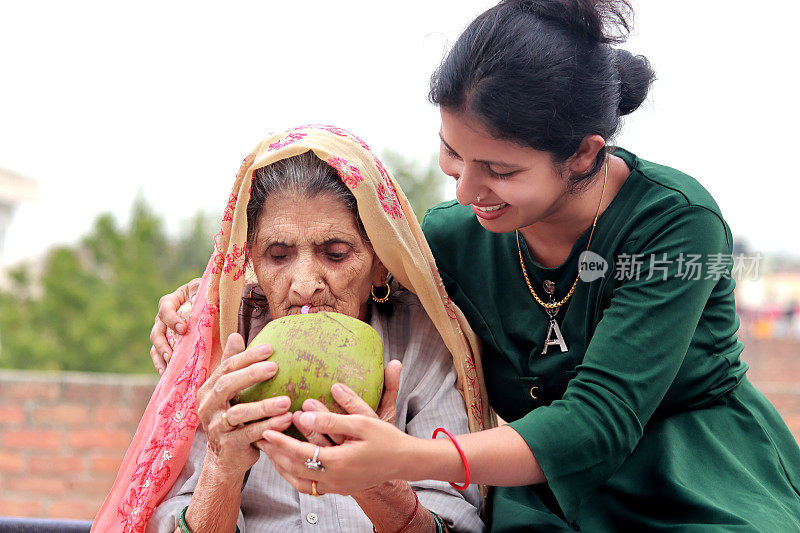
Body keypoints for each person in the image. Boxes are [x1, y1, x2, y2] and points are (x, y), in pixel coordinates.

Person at [152, 1, 800, 531]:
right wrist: (203, 292)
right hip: (540, 498)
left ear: (582, 154)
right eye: (453, 154)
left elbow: (597, 419)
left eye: (500, 169)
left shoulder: (679, 225)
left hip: (693, 484)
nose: (466, 191)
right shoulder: (455, 238)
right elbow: (343, 253)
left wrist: (407, 457)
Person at [93, 125, 494, 533]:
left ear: (379, 261)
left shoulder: (419, 344)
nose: (304, 283)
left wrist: (375, 480)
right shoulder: (221, 342)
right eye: (278, 255)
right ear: (250, 260)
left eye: (335, 254)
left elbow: (458, 523)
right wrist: (222, 466)